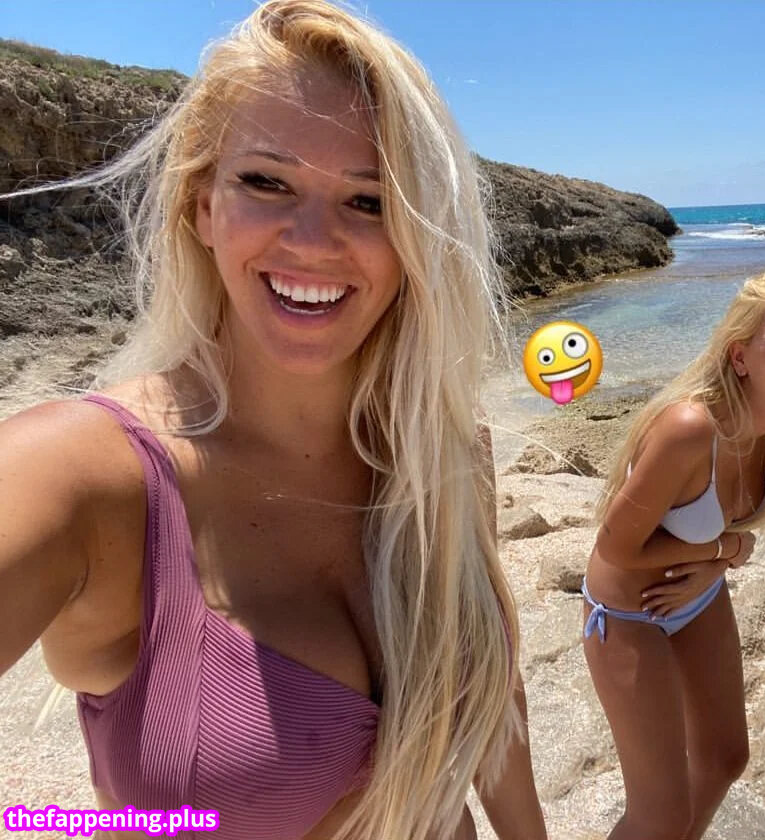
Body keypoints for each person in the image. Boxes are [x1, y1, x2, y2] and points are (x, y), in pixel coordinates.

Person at [0, 2, 548, 838]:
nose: (314, 240)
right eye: (266, 182)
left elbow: (492, 686)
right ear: (201, 205)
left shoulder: (444, 450)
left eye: (370, 200)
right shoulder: (78, 476)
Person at [582, 266, 765, 840]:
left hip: (698, 595)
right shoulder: (690, 427)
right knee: (658, 814)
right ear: (740, 356)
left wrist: (719, 560)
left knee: (724, 760)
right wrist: (729, 546)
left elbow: (722, 537)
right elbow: (614, 545)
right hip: (627, 614)